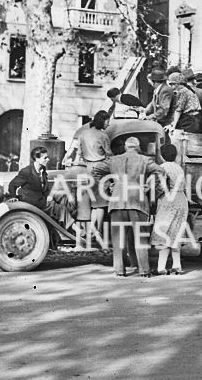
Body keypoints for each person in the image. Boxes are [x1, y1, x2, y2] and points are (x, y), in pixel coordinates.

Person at [92, 137, 162, 277]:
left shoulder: (114, 160)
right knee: (141, 237)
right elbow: (159, 171)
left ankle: (119, 271)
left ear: (125, 147)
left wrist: (109, 186)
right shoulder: (144, 159)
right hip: (137, 201)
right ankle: (144, 271)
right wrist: (149, 186)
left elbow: (96, 170)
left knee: (118, 239)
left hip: (117, 202)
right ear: (137, 147)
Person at [63, 110, 112, 237]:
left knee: (93, 202)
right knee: (100, 203)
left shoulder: (83, 134)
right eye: (107, 121)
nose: (109, 123)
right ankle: (97, 230)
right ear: (103, 121)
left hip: (87, 169)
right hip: (100, 168)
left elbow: (79, 153)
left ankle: (92, 229)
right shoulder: (103, 136)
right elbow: (109, 154)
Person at [8, 146, 75, 229]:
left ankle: (73, 218)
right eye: (45, 158)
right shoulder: (26, 172)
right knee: (58, 207)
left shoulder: (42, 169)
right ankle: (73, 227)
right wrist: (13, 197)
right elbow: (12, 185)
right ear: (37, 159)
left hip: (42, 196)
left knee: (64, 197)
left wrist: (51, 196)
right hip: (32, 200)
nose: (48, 160)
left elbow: (44, 187)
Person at [151, 143, 192, 275]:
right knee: (176, 233)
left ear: (162, 156)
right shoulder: (179, 168)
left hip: (168, 200)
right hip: (181, 199)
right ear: (175, 156)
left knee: (164, 232)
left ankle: (161, 267)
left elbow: (160, 187)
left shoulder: (161, 167)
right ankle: (177, 266)